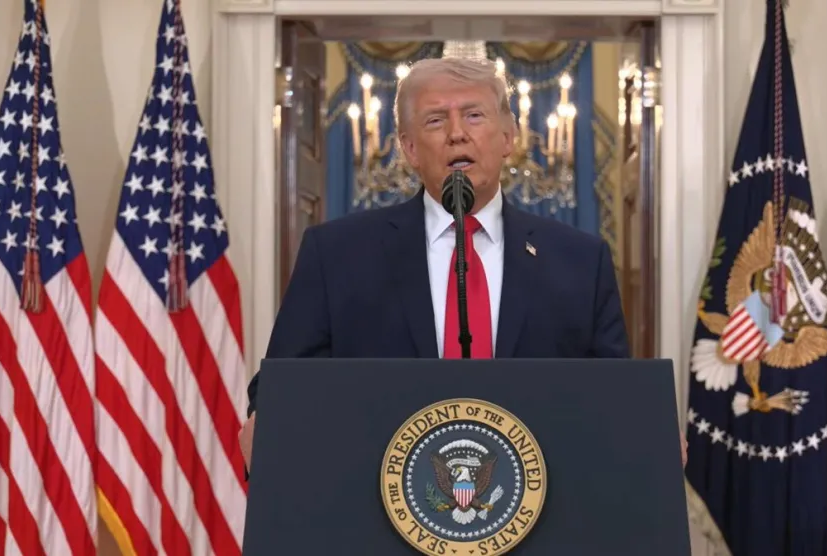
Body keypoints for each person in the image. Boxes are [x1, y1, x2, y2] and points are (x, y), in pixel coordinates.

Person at [239, 56, 685, 470]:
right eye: (436, 120)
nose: (457, 133)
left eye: (474, 115)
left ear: (509, 137)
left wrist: (645, 430)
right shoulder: (336, 254)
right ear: (410, 149)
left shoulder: (580, 261)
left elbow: (613, 395)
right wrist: (267, 418)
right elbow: (281, 384)